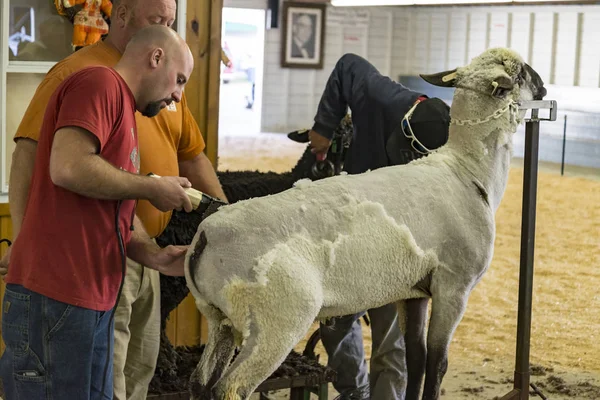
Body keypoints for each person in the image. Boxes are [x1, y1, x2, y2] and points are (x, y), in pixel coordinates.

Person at [0, 0, 228, 398]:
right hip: (58, 295)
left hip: (90, 295)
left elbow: (112, 201)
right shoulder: (97, 82)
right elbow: (67, 167)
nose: (177, 96)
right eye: (178, 81)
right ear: (155, 57)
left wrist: (152, 254)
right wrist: (152, 187)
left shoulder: (123, 106)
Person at [307, 53, 451, 400]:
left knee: (392, 332)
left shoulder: (444, 157)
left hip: (398, 242)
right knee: (335, 320)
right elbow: (346, 64)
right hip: (353, 224)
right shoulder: (381, 94)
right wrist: (324, 129)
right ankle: (354, 392)